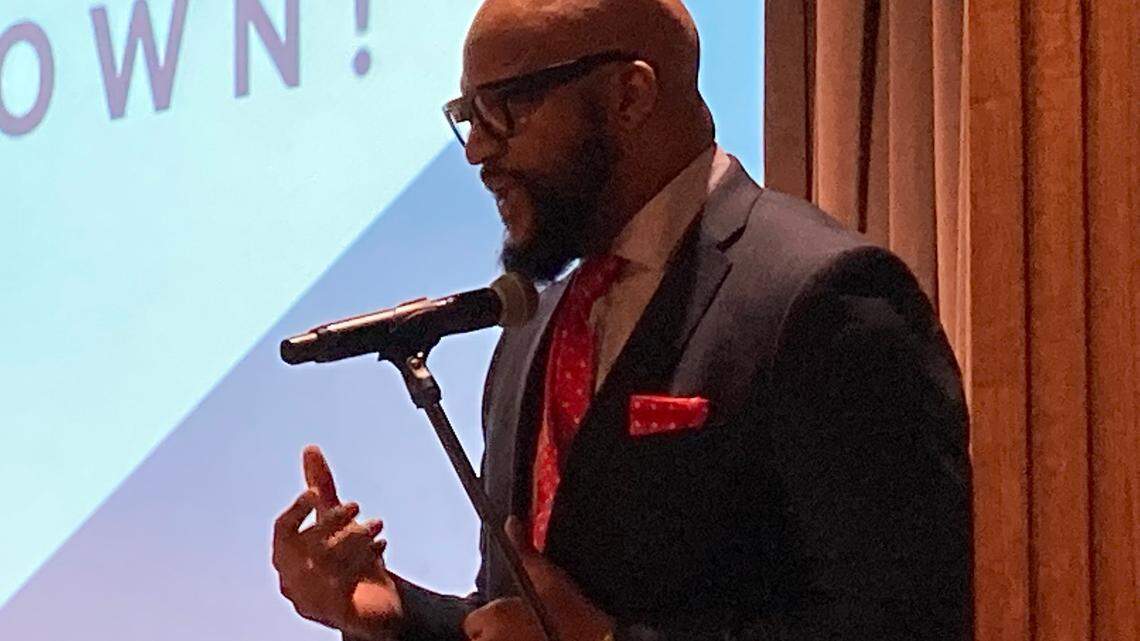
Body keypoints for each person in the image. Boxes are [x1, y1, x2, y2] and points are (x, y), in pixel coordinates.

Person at [272, 0, 973, 639]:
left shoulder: (829, 300)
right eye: (468, 116)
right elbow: (524, 618)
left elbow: (909, 623)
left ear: (629, 95)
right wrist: (391, 608)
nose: (480, 152)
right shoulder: (532, 327)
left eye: (506, 110)